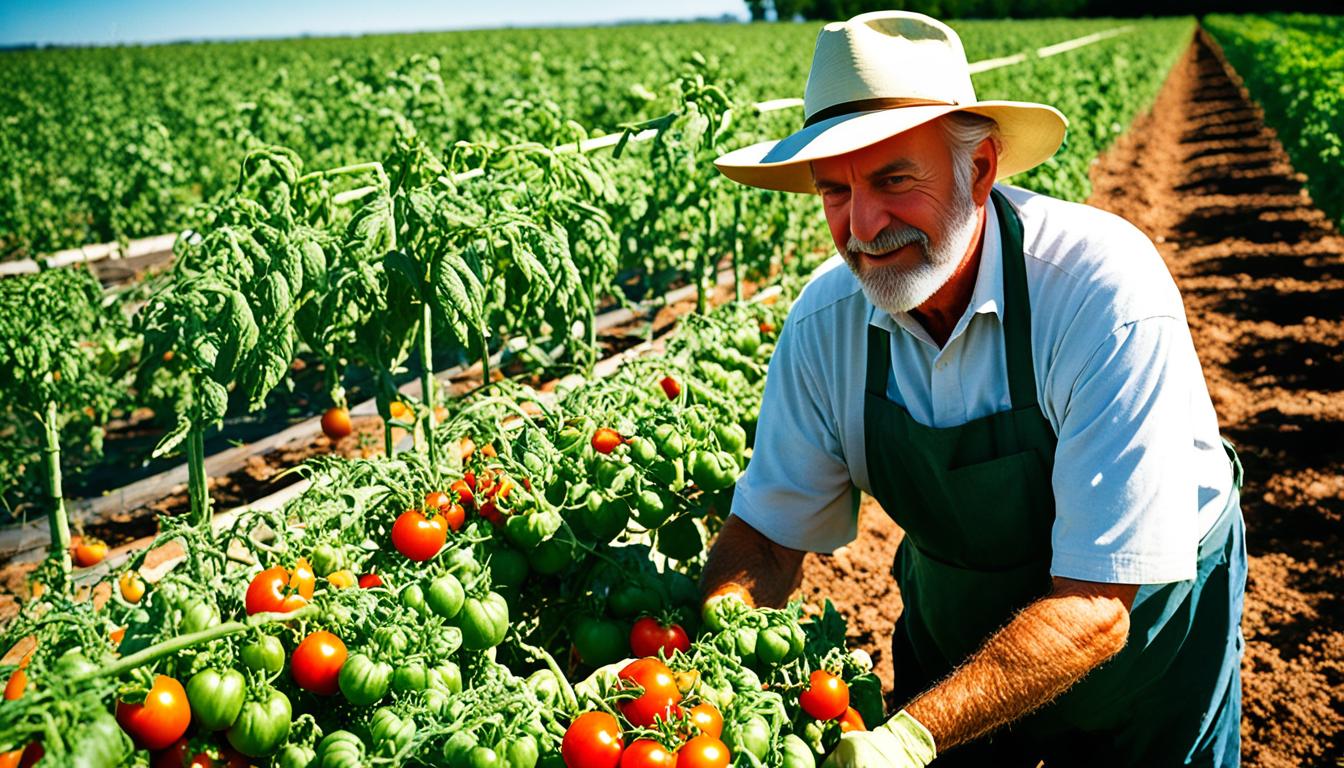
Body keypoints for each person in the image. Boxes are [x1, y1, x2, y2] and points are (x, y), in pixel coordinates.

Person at [702, 11, 1245, 767]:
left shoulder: (1099, 290)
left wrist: (909, 736)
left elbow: (1096, 604)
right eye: (835, 192)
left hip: (1144, 634)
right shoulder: (824, 328)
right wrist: (721, 646)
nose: (862, 225)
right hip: (965, 627)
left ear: (981, 169)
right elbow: (764, 537)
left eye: (894, 179)